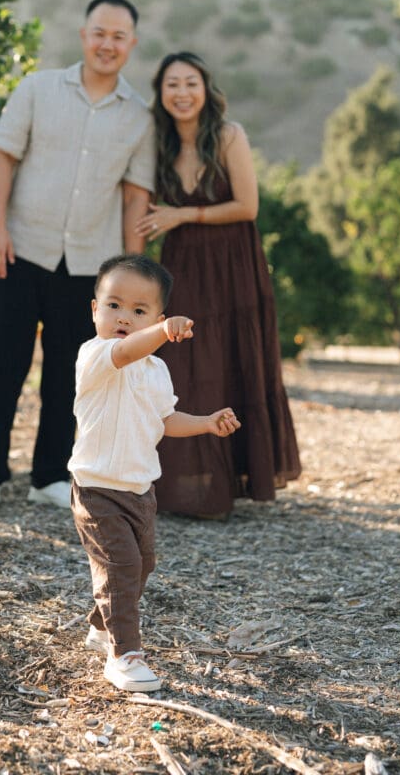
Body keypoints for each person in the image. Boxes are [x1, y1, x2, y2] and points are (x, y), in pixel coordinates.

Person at [0, 0, 155, 514]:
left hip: (91, 267)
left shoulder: (139, 117)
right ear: (84, 35)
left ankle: (49, 474)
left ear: (131, 44)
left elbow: (136, 197)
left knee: (72, 375)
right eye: (99, 33)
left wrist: (131, 284)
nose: (107, 43)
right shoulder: (37, 88)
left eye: (118, 36)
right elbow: (3, 160)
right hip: (17, 249)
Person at [134, 51, 301, 518]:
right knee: (185, 362)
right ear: (161, 94)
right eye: (172, 85)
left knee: (232, 359)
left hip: (233, 262)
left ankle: (234, 483)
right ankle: (189, 487)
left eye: (191, 83)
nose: (182, 93)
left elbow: (248, 206)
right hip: (183, 263)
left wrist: (182, 214)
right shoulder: (159, 143)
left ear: (205, 89)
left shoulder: (229, 135)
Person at [69, 253, 240, 692]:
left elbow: (165, 420)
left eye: (139, 311)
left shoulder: (157, 370)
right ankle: (124, 655)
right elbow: (126, 349)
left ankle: (101, 625)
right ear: (95, 310)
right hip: (96, 488)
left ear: (156, 315)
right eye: (114, 306)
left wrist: (204, 423)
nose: (124, 318)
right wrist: (161, 331)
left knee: (140, 565)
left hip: (140, 490)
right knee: (122, 563)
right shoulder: (96, 355)